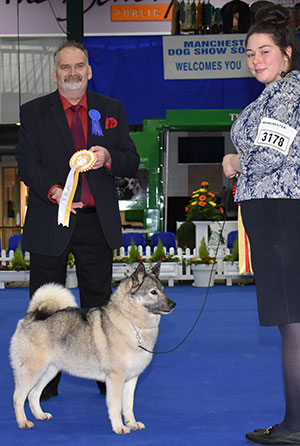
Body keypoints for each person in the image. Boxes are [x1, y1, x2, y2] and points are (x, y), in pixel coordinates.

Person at [15, 40, 140, 400]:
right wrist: (55, 191)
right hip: (50, 216)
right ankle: (45, 381)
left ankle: (107, 375)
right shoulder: (34, 112)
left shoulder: (111, 109)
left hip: (95, 222)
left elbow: (131, 160)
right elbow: (26, 164)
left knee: (100, 302)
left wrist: (108, 157)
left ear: (89, 71)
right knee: (45, 305)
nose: (72, 73)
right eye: (65, 67)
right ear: (55, 74)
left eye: (79, 66)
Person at [222, 5, 300, 446]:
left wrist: (234, 161)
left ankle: (294, 427)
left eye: (264, 50)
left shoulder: (287, 93)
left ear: (287, 53)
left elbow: (270, 154)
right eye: (250, 53)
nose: (255, 59)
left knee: (293, 322)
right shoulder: (273, 94)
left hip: (281, 214)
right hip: (277, 213)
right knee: (293, 321)